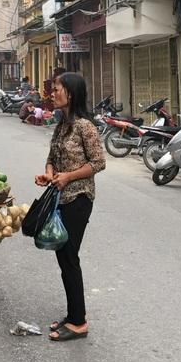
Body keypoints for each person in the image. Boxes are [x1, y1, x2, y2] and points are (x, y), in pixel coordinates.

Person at [34, 73, 105, 342]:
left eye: (57, 89)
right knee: (63, 258)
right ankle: (73, 315)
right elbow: (52, 157)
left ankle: (79, 322)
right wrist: (50, 174)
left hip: (79, 199)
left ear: (71, 93)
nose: (53, 94)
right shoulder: (61, 124)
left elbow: (98, 162)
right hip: (59, 198)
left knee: (69, 257)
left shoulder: (85, 127)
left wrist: (68, 177)